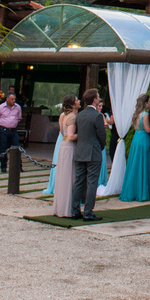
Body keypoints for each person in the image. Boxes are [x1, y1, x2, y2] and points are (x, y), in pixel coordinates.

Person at [71, 88, 106, 221]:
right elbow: (101, 135)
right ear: (94, 100)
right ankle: (88, 212)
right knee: (92, 182)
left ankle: (75, 210)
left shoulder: (80, 115)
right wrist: (101, 146)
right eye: (97, 97)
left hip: (80, 150)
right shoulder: (97, 115)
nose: (98, 99)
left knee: (79, 181)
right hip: (93, 151)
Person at [120, 93, 150, 202]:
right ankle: (143, 192)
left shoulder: (136, 114)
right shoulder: (145, 115)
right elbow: (148, 129)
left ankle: (133, 190)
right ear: (145, 103)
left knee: (135, 164)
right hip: (144, 139)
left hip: (136, 138)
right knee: (144, 163)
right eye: (149, 101)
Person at [52, 94, 79, 217]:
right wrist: (84, 135)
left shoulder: (64, 116)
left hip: (63, 146)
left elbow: (62, 132)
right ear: (73, 105)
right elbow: (70, 135)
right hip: (69, 147)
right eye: (77, 100)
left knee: (63, 176)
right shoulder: (72, 117)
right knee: (69, 176)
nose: (79, 101)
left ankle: (60, 207)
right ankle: (68, 209)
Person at [0, 92, 24, 172]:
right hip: (4, 130)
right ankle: (3, 166)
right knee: (3, 148)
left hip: (13, 130)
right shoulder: (0, 108)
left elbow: (19, 118)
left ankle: (18, 166)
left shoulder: (18, 107)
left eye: (14, 99)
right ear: (7, 99)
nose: (13, 101)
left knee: (16, 147)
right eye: (12, 99)